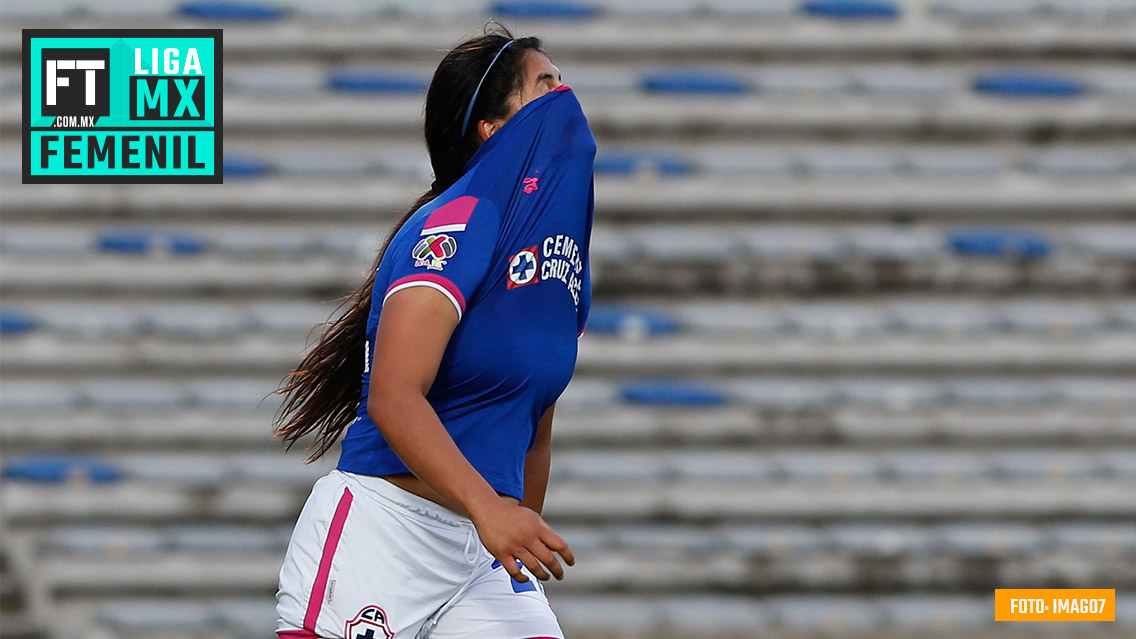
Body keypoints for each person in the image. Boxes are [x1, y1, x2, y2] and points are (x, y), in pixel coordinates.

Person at [272, 25, 595, 639]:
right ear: (493, 130)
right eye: (544, 85)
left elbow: (535, 421)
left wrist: (516, 523)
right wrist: (488, 510)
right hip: (384, 536)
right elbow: (394, 395)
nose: (566, 95)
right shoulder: (461, 220)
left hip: (479, 551)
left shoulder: (561, 258)